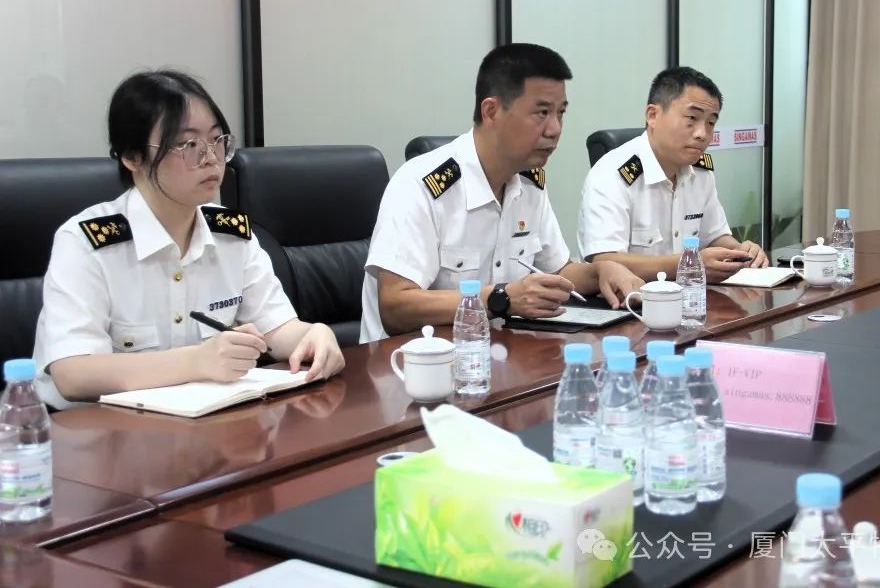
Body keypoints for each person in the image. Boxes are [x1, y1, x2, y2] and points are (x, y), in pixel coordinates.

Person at [33, 70, 345, 410]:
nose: (211, 158)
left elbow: (277, 329)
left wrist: (312, 335)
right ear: (133, 157)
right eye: (189, 145)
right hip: (96, 430)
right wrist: (197, 361)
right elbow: (73, 374)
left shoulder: (231, 234)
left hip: (203, 425)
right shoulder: (86, 242)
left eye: (217, 140)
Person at [360, 43, 643, 341]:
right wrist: (501, 298)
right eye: (542, 112)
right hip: (409, 361)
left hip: (497, 354)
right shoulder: (421, 185)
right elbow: (395, 306)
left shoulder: (529, 183)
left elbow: (558, 271)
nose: (555, 129)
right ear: (491, 111)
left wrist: (600, 272)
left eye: (560, 113)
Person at [577, 66, 769, 283]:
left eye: (710, 123)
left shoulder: (701, 173)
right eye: (691, 118)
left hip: (690, 296)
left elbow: (715, 236)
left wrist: (741, 252)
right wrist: (690, 263)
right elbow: (605, 261)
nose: (702, 134)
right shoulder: (611, 174)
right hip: (631, 299)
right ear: (653, 115)